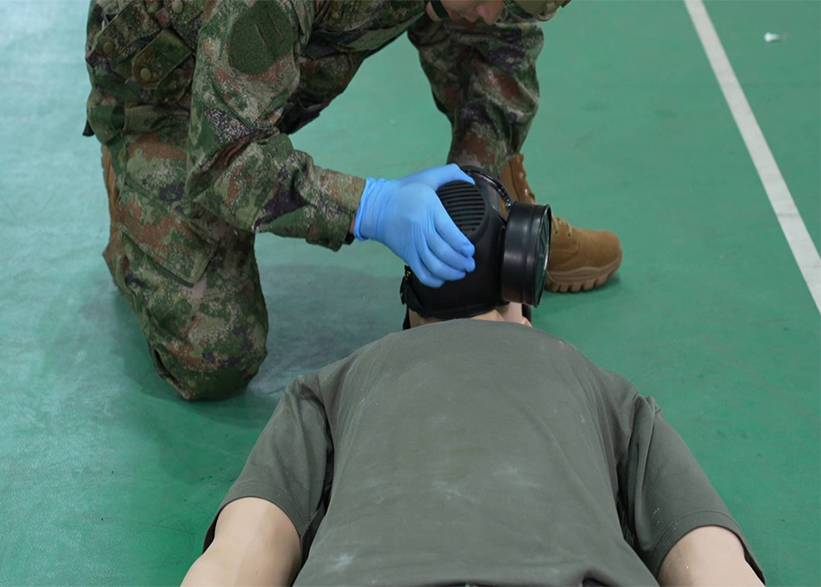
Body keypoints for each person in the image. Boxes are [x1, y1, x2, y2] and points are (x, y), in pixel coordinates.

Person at [180, 173, 763, 586]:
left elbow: (240, 558)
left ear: (411, 308)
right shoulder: (608, 393)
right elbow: (712, 565)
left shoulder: (331, 386)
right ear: (522, 288)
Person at [84, 0, 622, 401]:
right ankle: (132, 177)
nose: (494, 12)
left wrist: (474, 198)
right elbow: (225, 158)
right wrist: (370, 207)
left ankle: (496, 197)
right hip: (169, 99)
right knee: (215, 355)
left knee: (477, 28)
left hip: (256, 73)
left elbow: (503, 46)